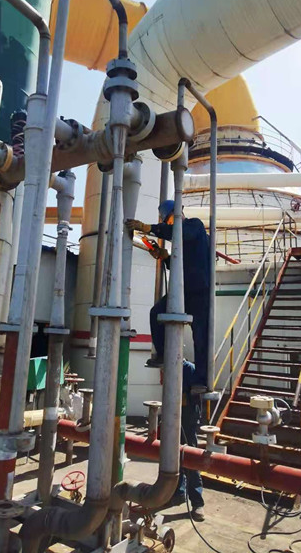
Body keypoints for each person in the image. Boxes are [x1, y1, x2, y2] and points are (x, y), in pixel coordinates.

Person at [126, 200, 209, 386]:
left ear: (178, 213)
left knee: (200, 336)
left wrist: (148, 228)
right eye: (167, 221)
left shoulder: (194, 226)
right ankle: (163, 355)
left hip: (199, 291)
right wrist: (165, 257)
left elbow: (179, 232)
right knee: (156, 313)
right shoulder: (181, 240)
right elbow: (180, 265)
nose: (170, 223)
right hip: (183, 290)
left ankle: (201, 380)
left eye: (169, 220)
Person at [169, 360, 205, 521]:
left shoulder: (189, 369)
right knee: (172, 456)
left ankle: (197, 502)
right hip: (173, 415)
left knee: (190, 457)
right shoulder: (169, 366)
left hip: (188, 416)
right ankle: (177, 493)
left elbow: (196, 394)